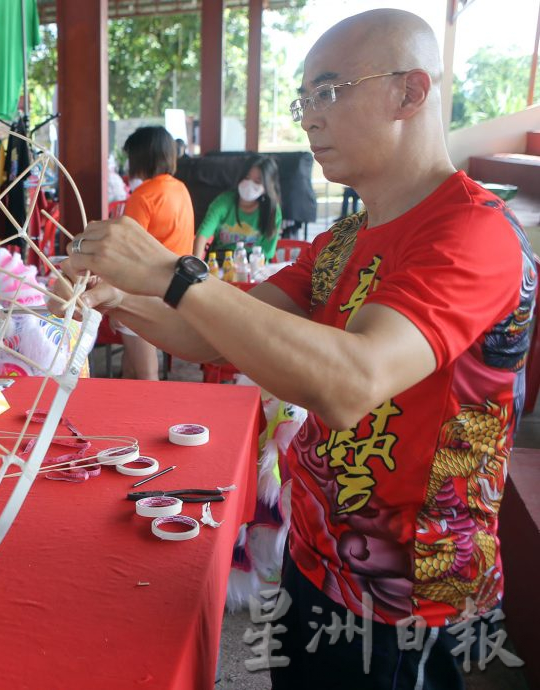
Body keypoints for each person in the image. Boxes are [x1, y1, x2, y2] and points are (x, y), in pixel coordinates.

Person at [56, 10, 531, 688]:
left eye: (328, 91)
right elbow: (213, 330)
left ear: (411, 92)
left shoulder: (471, 233)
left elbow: (350, 384)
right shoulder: (341, 241)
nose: (308, 117)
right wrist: (114, 300)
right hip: (314, 559)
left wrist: (173, 274)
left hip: (409, 596)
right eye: (301, 98)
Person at [116, 126, 194, 381]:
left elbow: (126, 251)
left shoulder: (143, 196)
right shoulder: (180, 189)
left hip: (144, 291)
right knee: (131, 367)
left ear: (140, 158)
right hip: (177, 288)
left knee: (148, 373)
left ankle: (152, 420)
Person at [193, 155, 283, 260]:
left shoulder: (272, 211)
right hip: (223, 262)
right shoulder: (224, 202)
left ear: (268, 186)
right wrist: (197, 267)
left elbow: (268, 253)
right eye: (247, 177)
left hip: (254, 265)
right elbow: (203, 234)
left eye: (257, 181)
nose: (249, 184)